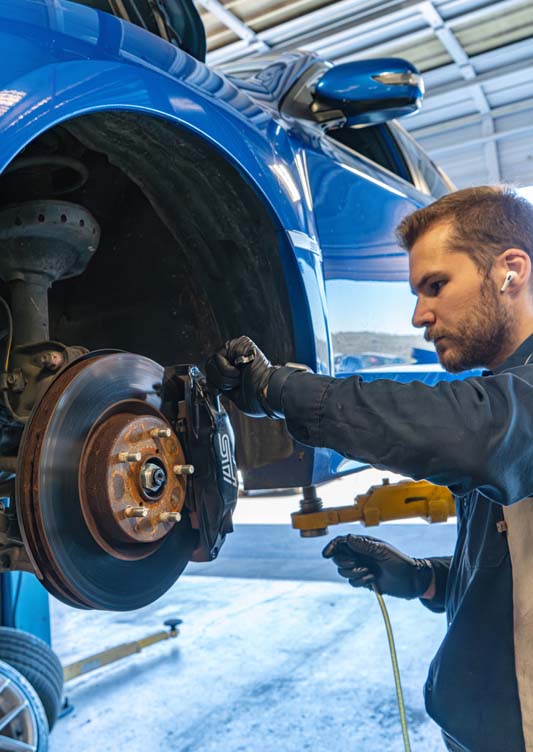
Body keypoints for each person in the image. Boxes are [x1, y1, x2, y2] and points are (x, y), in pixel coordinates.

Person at [205, 186, 533, 752]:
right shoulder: (501, 403)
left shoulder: (504, 412)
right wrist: (424, 578)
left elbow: (461, 429)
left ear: (511, 271)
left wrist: (274, 385)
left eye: (436, 286)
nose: (417, 316)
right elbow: (512, 574)